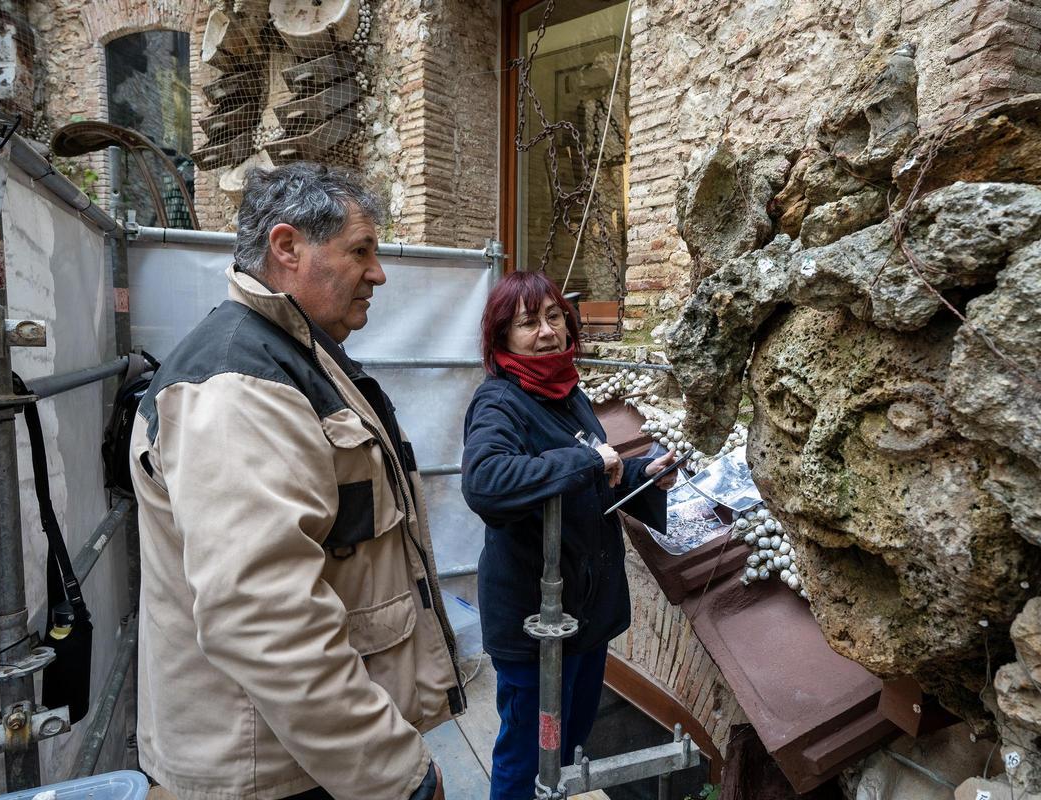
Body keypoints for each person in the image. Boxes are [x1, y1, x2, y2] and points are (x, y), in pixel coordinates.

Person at [129, 163, 462, 800]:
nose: (378, 273)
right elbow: (264, 616)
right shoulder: (236, 385)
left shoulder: (288, 354)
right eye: (360, 251)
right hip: (267, 768)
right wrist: (393, 773)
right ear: (287, 248)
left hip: (298, 755)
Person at [460, 271, 679, 799]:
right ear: (501, 338)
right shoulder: (499, 403)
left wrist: (641, 476)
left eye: (554, 316)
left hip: (585, 613)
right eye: (528, 323)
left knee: (570, 741)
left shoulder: (568, 390)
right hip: (535, 620)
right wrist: (583, 459)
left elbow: (591, 481)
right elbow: (487, 482)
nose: (546, 332)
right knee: (529, 751)